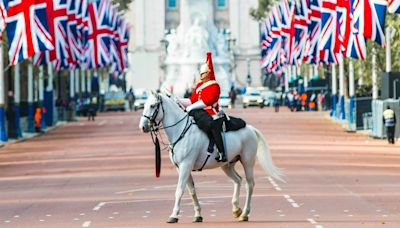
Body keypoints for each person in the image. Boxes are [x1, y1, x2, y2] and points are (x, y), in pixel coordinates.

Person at [179, 52, 227, 162]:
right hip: (200, 113)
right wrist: (177, 100)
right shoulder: (199, 86)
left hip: (213, 113)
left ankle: (221, 152)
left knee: (213, 126)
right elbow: (192, 100)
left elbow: (209, 101)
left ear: (208, 74)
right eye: (201, 74)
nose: (201, 76)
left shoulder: (215, 86)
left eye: (203, 74)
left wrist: (191, 108)